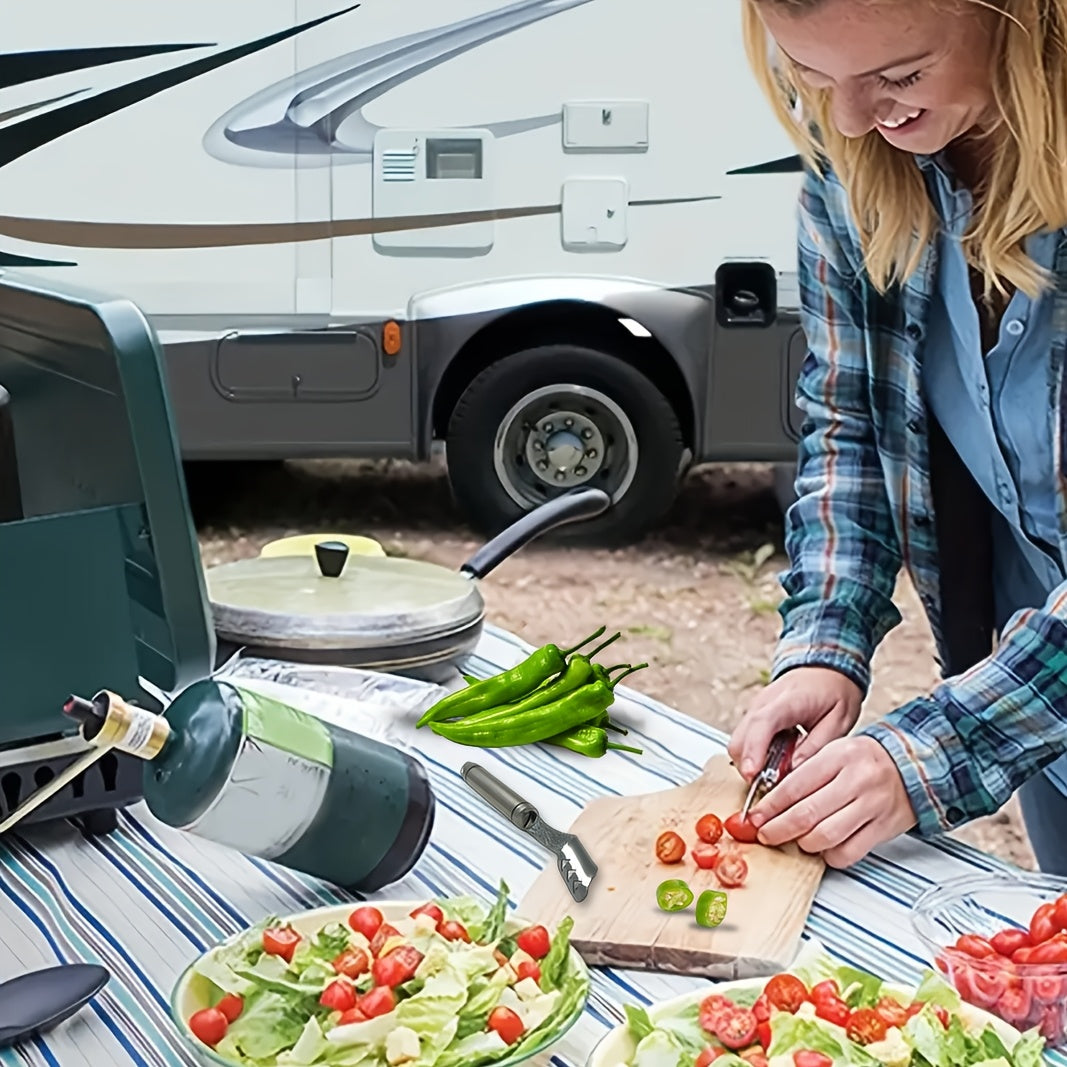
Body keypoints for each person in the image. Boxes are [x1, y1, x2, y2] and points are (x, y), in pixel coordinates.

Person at [727, 0, 1067, 874]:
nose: (846, 120)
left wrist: (921, 756)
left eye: (900, 75)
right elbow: (848, 417)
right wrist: (823, 646)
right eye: (810, 75)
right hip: (1040, 712)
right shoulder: (854, 158)